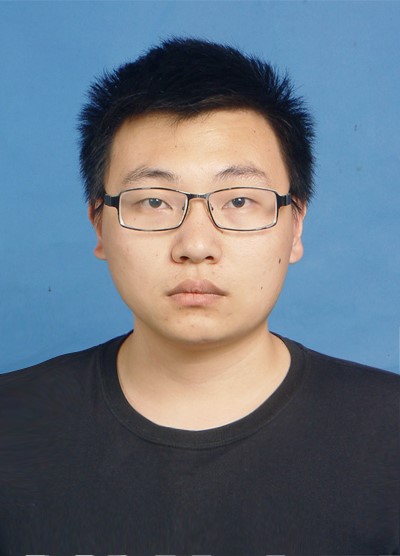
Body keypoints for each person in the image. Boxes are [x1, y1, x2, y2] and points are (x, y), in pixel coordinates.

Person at [1, 38, 399, 556]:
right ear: (99, 224)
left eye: (239, 200)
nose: (195, 245)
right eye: (153, 201)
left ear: (295, 226)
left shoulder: (387, 432)